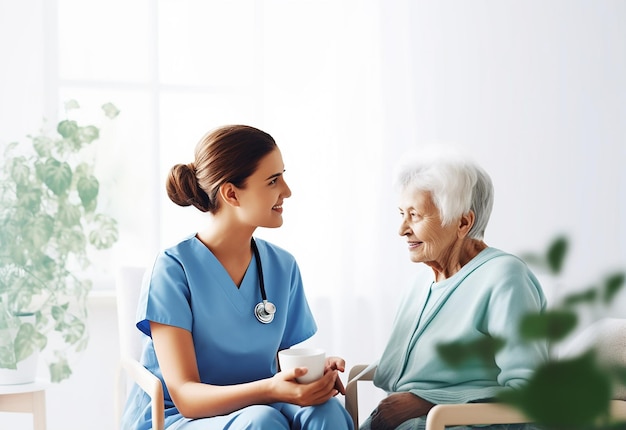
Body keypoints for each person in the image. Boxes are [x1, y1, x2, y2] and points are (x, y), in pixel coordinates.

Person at [121, 125, 353, 430]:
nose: (287, 190)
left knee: (328, 413)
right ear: (231, 193)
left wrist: (309, 376)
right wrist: (271, 389)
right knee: (262, 422)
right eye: (273, 180)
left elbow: (283, 365)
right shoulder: (172, 269)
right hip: (179, 416)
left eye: (282, 176)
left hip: (262, 403)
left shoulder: (283, 266)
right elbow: (186, 397)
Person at [361, 148, 548, 430]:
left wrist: (428, 402)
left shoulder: (505, 276)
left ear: (463, 222)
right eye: (402, 213)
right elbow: (420, 365)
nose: (402, 229)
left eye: (415, 215)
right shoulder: (420, 283)